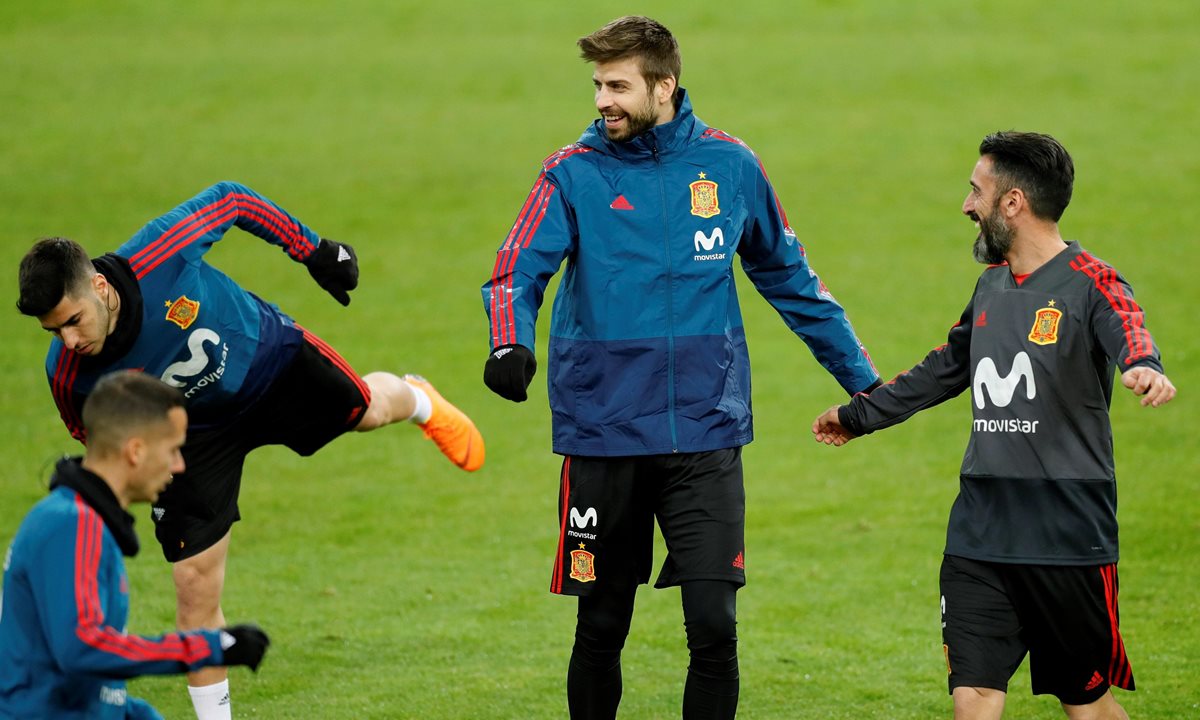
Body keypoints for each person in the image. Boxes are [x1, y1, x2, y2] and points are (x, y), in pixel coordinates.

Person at [481, 16, 879, 720]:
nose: (603, 100)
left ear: (664, 86)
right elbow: (517, 268)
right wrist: (510, 343)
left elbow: (791, 278)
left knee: (715, 628)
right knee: (602, 626)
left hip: (706, 428)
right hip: (603, 433)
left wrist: (863, 382)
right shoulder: (572, 171)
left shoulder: (729, 167)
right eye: (598, 85)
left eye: (618, 86)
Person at [16, 182, 484, 720]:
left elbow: (232, 199)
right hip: (192, 439)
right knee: (193, 587)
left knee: (368, 411)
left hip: (269, 363)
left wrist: (314, 250)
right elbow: (97, 440)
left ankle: (419, 398)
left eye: (73, 321)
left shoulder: (160, 251)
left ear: (99, 286)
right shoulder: (69, 374)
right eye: (54, 332)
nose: (69, 341)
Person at [812, 131, 1176, 720]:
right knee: (974, 694)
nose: (966, 205)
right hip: (980, 530)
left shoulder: (1091, 281)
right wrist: (859, 416)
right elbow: (942, 370)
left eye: (976, 191)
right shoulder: (991, 286)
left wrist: (1143, 366)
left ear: (1013, 203)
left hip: (1065, 534)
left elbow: (1130, 327)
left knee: (1085, 700)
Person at [0, 371, 270, 719]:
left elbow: (85, 680)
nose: (179, 465)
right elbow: (82, 648)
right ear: (136, 451)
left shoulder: (83, 521)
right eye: (173, 450)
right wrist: (210, 646)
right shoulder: (73, 523)